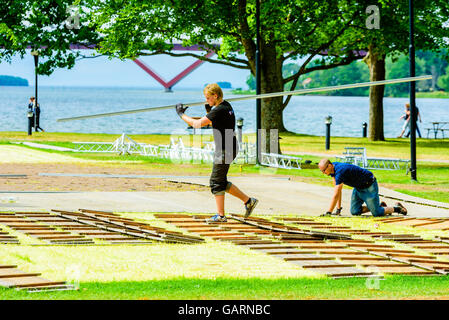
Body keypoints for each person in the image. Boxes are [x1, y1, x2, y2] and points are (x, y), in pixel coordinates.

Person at [175, 83, 258, 222]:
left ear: (215, 96)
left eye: (208, 98)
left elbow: (196, 124)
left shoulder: (219, 110)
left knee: (215, 182)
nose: (206, 100)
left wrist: (181, 114)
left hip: (225, 150)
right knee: (221, 182)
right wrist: (209, 110)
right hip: (229, 147)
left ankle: (220, 216)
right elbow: (214, 122)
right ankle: (248, 201)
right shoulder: (226, 106)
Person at [318, 158, 407, 217]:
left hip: (369, 186)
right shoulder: (332, 170)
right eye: (321, 171)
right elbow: (338, 192)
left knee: (377, 213)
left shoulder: (340, 171)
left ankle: (397, 208)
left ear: (329, 165)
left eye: (323, 170)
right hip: (358, 188)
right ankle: (379, 206)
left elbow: (336, 194)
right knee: (355, 212)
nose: (323, 173)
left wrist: (329, 212)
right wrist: (338, 209)